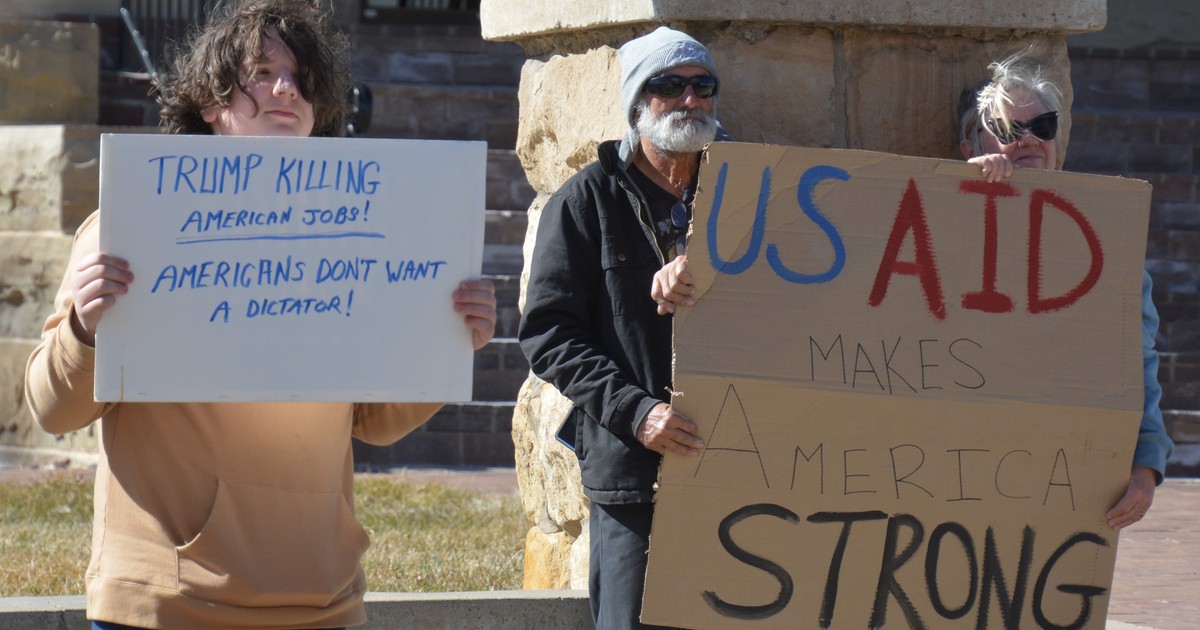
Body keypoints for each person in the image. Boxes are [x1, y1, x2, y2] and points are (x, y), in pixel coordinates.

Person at [23, 1, 496, 628]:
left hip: (322, 603)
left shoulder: (357, 237)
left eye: (302, 79)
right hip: (165, 603)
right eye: (264, 72)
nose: (286, 90)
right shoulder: (129, 225)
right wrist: (83, 330)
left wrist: (447, 343)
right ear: (213, 101)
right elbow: (54, 409)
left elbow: (375, 421)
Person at [518, 26, 728, 630]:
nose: (691, 100)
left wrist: (712, 265)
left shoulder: (749, 190)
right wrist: (640, 413)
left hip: (743, 465)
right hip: (636, 474)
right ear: (638, 103)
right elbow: (549, 335)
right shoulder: (585, 202)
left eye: (703, 85)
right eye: (670, 86)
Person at [957, 53, 1174, 530]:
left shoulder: (1102, 246)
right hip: (951, 478)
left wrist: (1144, 467)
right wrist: (961, 191)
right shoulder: (938, 226)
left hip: (1054, 486)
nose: (1029, 139)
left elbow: (1136, 361)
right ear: (970, 144)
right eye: (1008, 130)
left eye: (1043, 124)